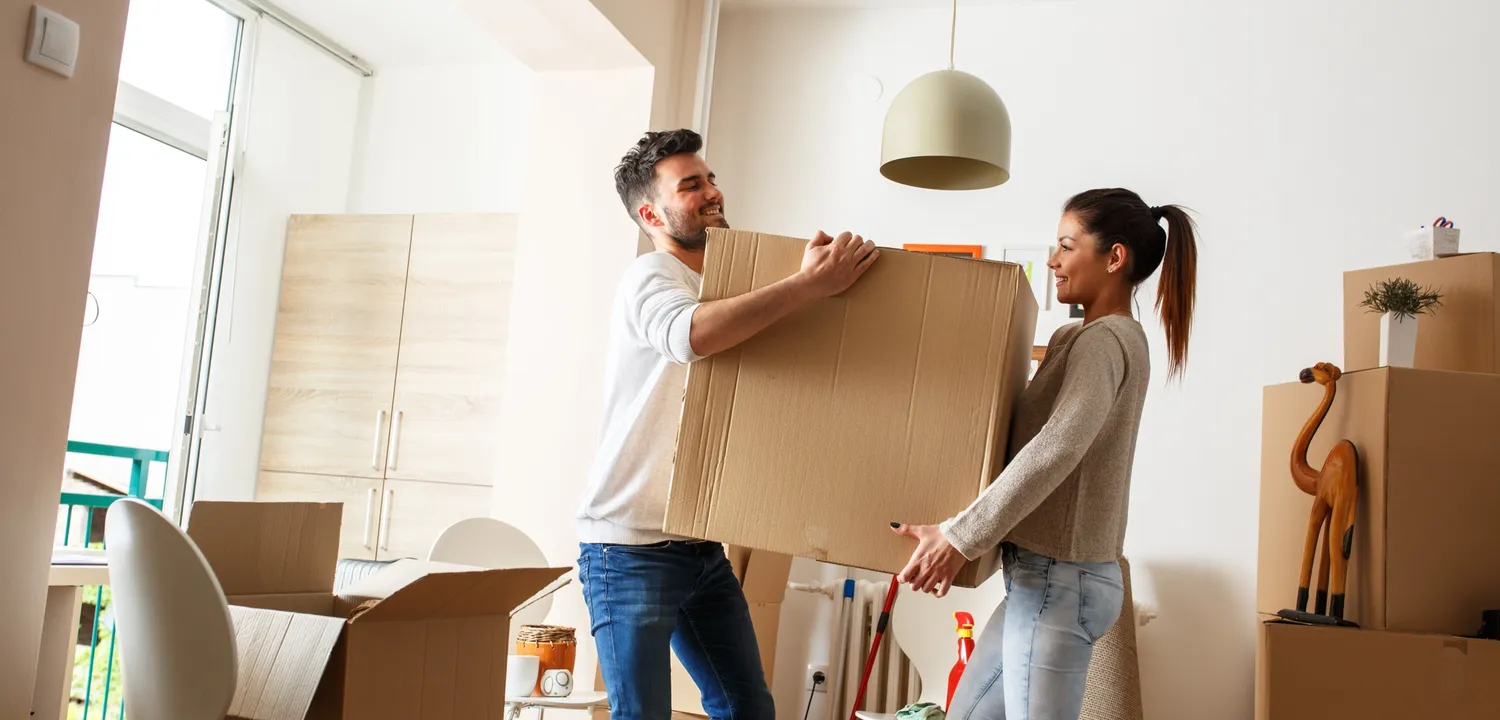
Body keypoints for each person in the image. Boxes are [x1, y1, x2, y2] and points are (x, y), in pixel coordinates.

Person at [576, 128, 880, 720]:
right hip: (628, 546)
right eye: (691, 185)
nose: (713, 192)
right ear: (650, 212)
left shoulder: (719, 288)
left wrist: (813, 286)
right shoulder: (651, 278)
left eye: (711, 178)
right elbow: (689, 336)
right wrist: (810, 282)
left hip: (698, 543)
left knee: (747, 709)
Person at [891, 188, 1198, 719]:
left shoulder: (1105, 341)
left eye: (1066, 245)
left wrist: (960, 538)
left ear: (1115, 257)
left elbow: (1056, 448)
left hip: (1061, 583)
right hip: (1043, 581)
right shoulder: (1081, 338)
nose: (1053, 259)